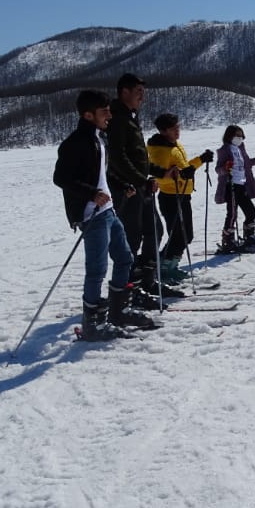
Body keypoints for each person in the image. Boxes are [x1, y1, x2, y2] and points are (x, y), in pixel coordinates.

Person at [53, 90, 155, 340]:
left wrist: (122, 185)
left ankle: (119, 312)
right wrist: (91, 194)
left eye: (109, 109)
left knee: (125, 258)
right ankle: (92, 326)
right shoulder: (75, 142)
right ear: (88, 115)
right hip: (92, 215)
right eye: (103, 111)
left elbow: (102, 175)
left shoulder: (100, 138)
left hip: (108, 211)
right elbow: (61, 178)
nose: (109, 114)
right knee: (96, 270)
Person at [106, 73, 163, 291]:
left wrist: (159, 171)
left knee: (154, 230)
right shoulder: (117, 119)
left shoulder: (130, 116)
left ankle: (147, 281)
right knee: (133, 236)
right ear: (125, 92)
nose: (142, 96)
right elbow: (118, 157)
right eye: (138, 92)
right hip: (127, 187)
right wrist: (140, 180)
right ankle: (128, 288)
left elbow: (138, 156)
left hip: (140, 185)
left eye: (143, 92)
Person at [146, 113, 215, 283]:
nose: (177, 131)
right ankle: (163, 268)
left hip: (183, 194)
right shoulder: (160, 150)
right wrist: (183, 174)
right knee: (179, 235)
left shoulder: (174, 145)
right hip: (171, 197)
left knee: (186, 235)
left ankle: (167, 265)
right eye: (173, 128)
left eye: (178, 126)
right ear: (163, 131)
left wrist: (200, 159)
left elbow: (183, 169)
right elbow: (160, 176)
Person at [215, 124, 255, 252]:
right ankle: (227, 240)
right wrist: (225, 167)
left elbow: (247, 163)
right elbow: (218, 169)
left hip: (242, 184)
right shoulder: (225, 149)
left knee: (250, 210)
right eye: (237, 135)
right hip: (231, 185)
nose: (239, 138)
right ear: (229, 136)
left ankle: (249, 237)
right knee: (232, 213)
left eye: (241, 136)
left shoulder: (240, 148)